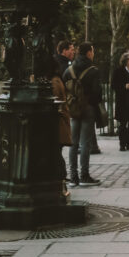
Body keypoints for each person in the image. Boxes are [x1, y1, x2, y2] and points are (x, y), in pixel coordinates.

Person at [63, 42, 102, 187]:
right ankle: (84, 175)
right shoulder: (93, 70)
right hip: (88, 108)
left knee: (73, 143)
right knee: (85, 143)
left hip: (73, 109)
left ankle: (73, 176)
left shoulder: (69, 70)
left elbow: (63, 87)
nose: (93, 53)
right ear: (88, 53)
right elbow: (97, 93)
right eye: (92, 51)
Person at [49, 58, 72, 189]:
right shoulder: (56, 80)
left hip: (58, 123)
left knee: (56, 152)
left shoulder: (54, 82)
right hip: (60, 122)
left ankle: (61, 177)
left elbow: (56, 103)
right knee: (56, 152)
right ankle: (60, 176)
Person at [111, 50, 129, 151]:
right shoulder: (118, 71)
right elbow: (113, 85)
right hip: (122, 102)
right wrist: (124, 87)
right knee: (123, 124)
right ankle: (122, 144)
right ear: (126, 60)